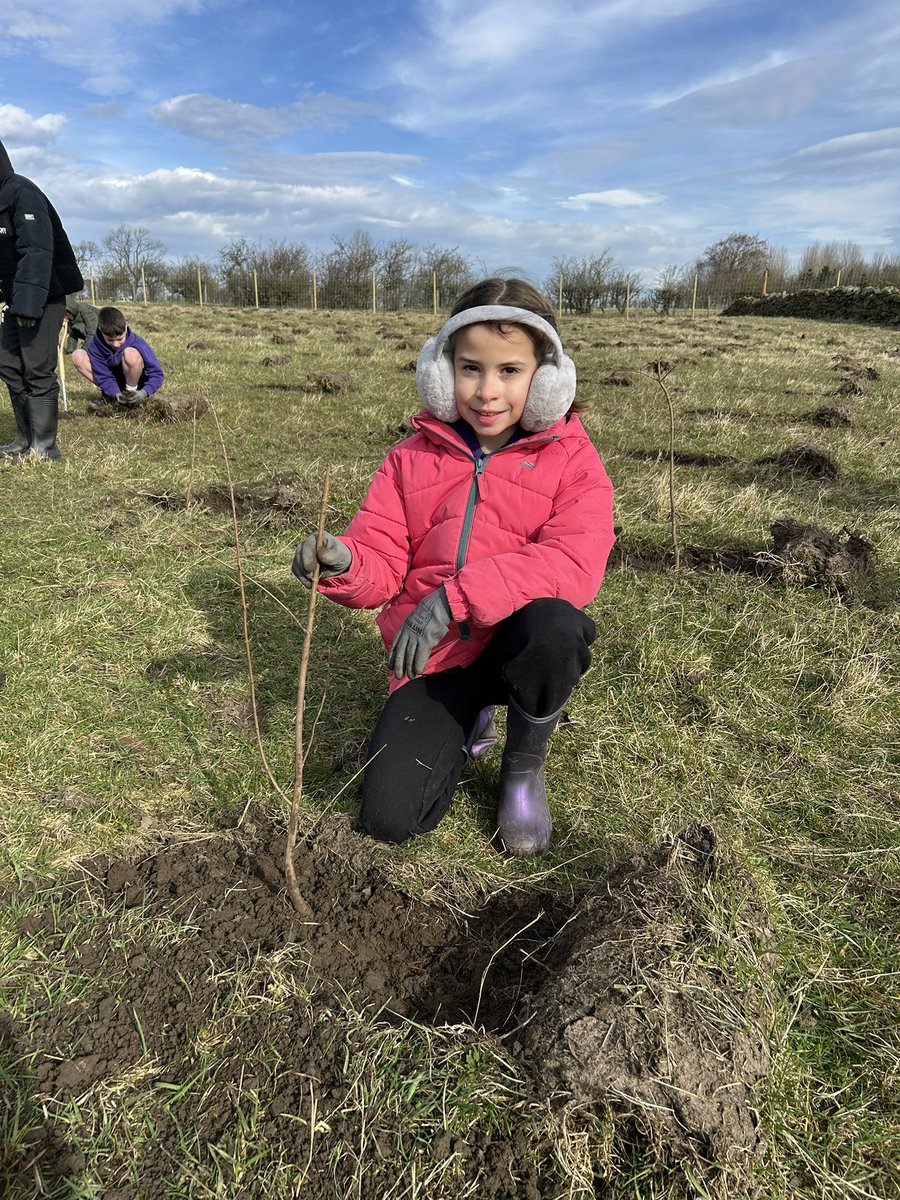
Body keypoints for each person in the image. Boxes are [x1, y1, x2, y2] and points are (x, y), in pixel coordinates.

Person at [292, 278, 615, 856]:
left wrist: (451, 600)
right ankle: (469, 723)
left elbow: (575, 562)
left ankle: (522, 767)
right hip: (439, 657)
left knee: (556, 628)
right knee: (390, 817)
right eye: (470, 368)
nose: (487, 392)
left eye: (510, 371)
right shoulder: (408, 458)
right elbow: (383, 562)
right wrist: (344, 562)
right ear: (441, 371)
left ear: (547, 380)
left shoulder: (574, 461)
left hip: (519, 641)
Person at [0, 138, 84, 461]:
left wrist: (28, 304)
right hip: (18, 299)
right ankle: (24, 439)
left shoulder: (24, 194)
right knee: (7, 363)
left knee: (36, 367)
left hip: (45, 297)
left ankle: (45, 447)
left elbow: (36, 251)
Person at [71, 305, 164, 409]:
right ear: (101, 330)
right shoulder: (95, 347)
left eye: (120, 339)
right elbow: (103, 376)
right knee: (77, 356)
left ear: (126, 327)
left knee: (130, 354)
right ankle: (111, 398)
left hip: (137, 386)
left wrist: (144, 392)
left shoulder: (138, 342)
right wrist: (115, 393)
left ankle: (131, 397)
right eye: (110, 340)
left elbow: (156, 374)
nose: (116, 344)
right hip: (112, 385)